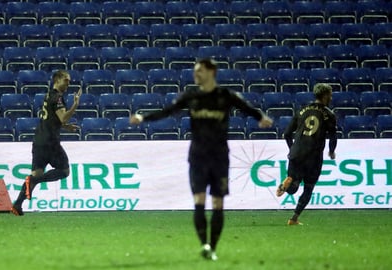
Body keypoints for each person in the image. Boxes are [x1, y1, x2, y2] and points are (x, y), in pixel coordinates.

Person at [130, 59, 273, 260]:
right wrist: (143, 118)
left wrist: (261, 117)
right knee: (199, 200)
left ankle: (212, 248)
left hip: (219, 157)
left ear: (211, 71)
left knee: (218, 203)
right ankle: (204, 244)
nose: (195, 74)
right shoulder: (191, 96)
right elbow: (167, 111)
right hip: (197, 156)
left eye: (199, 71)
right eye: (195, 71)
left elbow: (247, 107)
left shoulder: (225, 95)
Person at [11, 70, 81, 216]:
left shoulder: (49, 95)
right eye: (66, 80)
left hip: (38, 141)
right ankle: (33, 180)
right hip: (51, 142)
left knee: (36, 172)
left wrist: (66, 127)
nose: (69, 83)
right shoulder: (58, 98)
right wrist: (75, 105)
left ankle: (17, 206)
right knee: (64, 171)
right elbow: (62, 118)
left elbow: (52, 119)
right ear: (58, 80)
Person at [276, 83, 337, 225]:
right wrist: (331, 151)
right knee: (308, 188)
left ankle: (289, 181)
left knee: (293, 186)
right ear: (325, 95)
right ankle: (294, 218)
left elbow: (286, 134)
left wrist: (292, 149)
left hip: (296, 153)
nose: (331, 97)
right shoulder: (329, 114)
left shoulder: (301, 110)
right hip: (314, 156)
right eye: (330, 94)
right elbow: (333, 136)